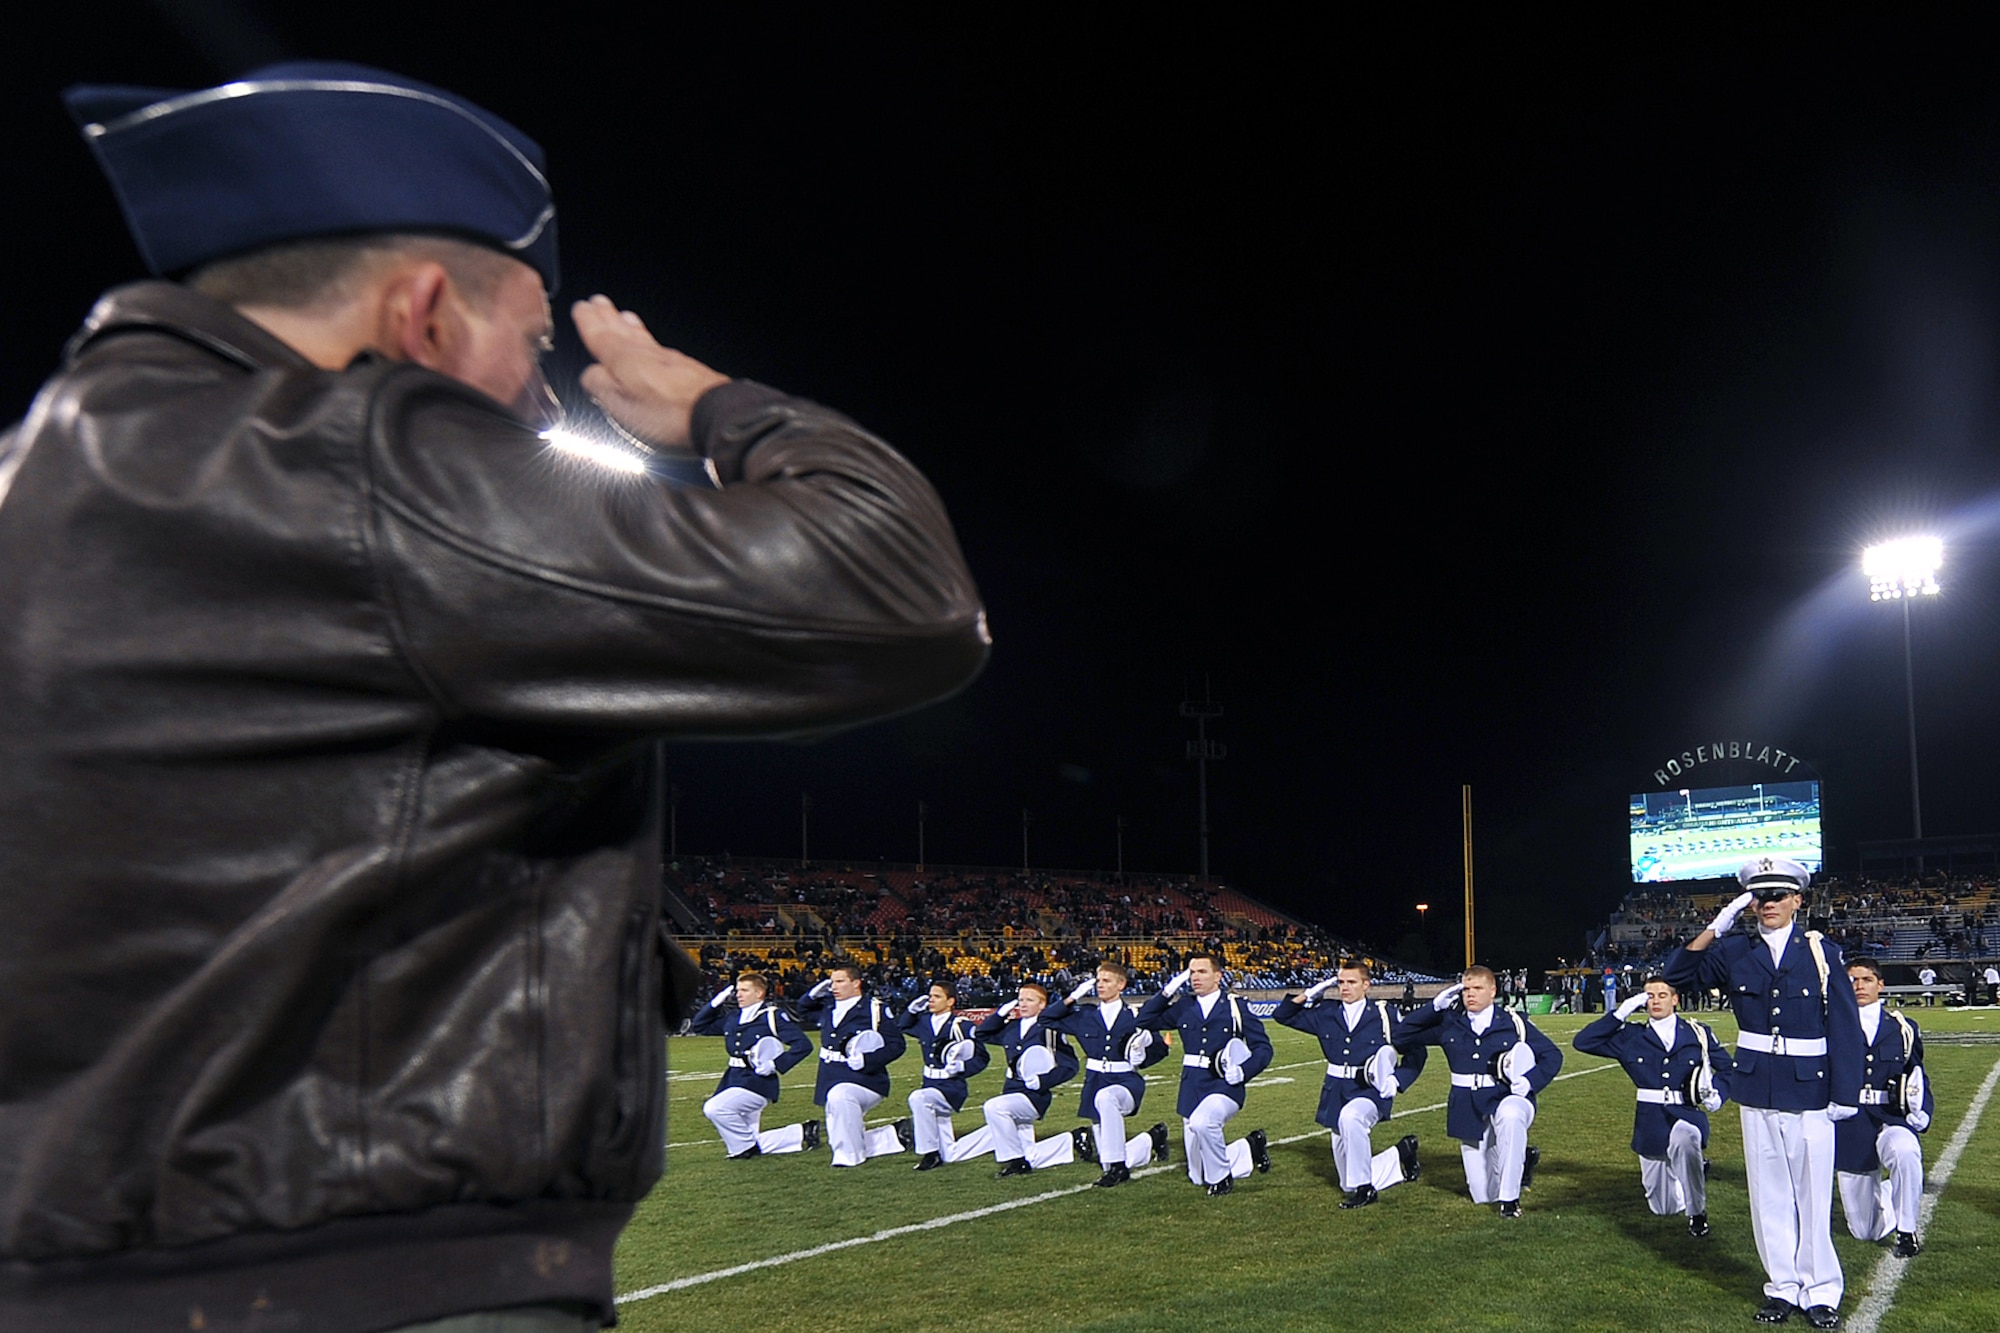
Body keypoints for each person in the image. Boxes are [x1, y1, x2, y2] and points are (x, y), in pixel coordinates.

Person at [0, 62, 986, 1333]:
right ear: (421, 314)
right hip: (379, 1275)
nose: (543, 389)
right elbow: (898, 591)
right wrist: (709, 408)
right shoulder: (363, 461)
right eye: (530, 339)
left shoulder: (31, 479)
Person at [1665, 857, 1864, 1331]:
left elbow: (1845, 1025)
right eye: (1760, 896)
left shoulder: (1821, 952)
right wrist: (1716, 926)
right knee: (1768, 1195)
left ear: (1798, 900)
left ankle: (1820, 1291)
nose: (1768, 903)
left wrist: (1846, 1091)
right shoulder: (1735, 950)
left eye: (1778, 895)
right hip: (1757, 1085)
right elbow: (1676, 976)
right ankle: (1782, 1286)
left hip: (1811, 1086)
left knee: (1813, 1194)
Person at [1573, 973, 1736, 1237]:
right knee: (1663, 1206)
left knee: (1686, 1139)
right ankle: (1693, 1170)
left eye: (1662, 995)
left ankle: (1697, 1213)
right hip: (1650, 1121)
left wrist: (1719, 1092)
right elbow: (1583, 1042)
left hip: (1686, 1113)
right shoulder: (1630, 1036)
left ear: (1675, 999)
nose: (1656, 1001)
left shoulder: (1698, 1033)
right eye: (1649, 996)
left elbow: (1729, 1069)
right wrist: (1619, 1013)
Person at [1400, 965, 1562, 1218]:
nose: (1470, 994)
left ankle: (1510, 1201)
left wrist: (1530, 1082)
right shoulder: (1449, 1023)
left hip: (1505, 1097)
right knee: (1482, 1195)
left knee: (1510, 1117)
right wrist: (1434, 1007)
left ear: (1492, 990)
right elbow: (1400, 1036)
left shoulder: (1513, 1022)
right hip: (1467, 1105)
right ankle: (1523, 1163)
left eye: (1477, 988)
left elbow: (1552, 1055)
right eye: (1466, 989)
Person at [1273, 961, 1424, 1207]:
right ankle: (1401, 1153)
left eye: (1351, 982)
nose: (1344, 987)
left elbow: (1417, 1051)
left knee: (1352, 1117)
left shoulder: (1384, 1015)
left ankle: (1366, 1191)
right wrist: (1310, 993)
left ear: (1366, 985)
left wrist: (1397, 1080)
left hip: (1370, 1090)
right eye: (1341, 982)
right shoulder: (1326, 1013)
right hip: (1336, 1091)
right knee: (1347, 1182)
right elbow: (1282, 1016)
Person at [1135, 953, 1274, 1196]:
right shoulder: (1184, 1006)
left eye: (1202, 972)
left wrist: (1244, 1072)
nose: (1195, 977)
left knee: (1203, 1123)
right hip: (1192, 1086)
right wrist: (1166, 992)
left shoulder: (1234, 1006)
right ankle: (1250, 1147)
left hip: (1224, 1085)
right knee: (1197, 1175)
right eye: (1191, 972)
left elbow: (1263, 1048)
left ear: (1218, 976)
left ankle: (1221, 1180)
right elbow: (1145, 1020)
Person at [1041, 961, 1173, 1187]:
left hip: (1126, 1082)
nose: (1100, 985)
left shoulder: (1135, 1015)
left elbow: (1159, 1048)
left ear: (1121, 984)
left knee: (1107, 1100)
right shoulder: (1084, 1015)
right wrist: (1072, 997)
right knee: (1108, 1157)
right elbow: (1045, 1019)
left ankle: (1119, 1169)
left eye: (1106, 981)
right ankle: (1151, 1139)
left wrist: (1143, 1058)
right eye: (1098, 980)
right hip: (1095, 1081)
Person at [1835, 958, 1932, 1258]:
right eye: (1852, 980)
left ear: (1880, 985)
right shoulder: (1830, 1026)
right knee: (1866, 1231)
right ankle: (1896, 1189)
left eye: (1866, 980)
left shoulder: (1902, 1028)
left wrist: (1922, 1111)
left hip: (1890, 1117)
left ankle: (1907, 1231)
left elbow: (1916, 1073)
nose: (1859, 986)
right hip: (1850, 1123)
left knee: (1906, 1150)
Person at [688, 971, 817, 1159]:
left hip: (758, 1081)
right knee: (752, 1137)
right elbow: (700, 1026)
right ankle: (803, 1132)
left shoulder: (771, 1016)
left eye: (744, 990)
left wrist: (775, 1064)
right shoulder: (733, 1017)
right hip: (732, 1078)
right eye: (737, 990)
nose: (738, 994)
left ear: (759, 993)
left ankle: (743, 1149)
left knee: (715, 1108)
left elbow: (803, 1045)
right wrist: (715, 1003)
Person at [970, 984, 1092, 1177]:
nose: (1023, 1004)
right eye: (1020, 1000)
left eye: (1030, 1000)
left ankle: (1015, 1163)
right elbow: (981, 1033)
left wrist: (1043, 1081)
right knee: (1030, 1154)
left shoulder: (1049, 1030)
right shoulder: (1011, 1027)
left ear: (1042, 1004)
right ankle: (1072, 1140)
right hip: (1010, 1091)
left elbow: (1070, 1067)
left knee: (993, 1107)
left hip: (1034, 1096)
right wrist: (1000, 1014)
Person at [797, 964, 913, 1168]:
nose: (834, 986)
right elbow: (802, 1010)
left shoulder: (874, 1009)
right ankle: (893, 1135)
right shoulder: (828, 1006)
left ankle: (850, 1158)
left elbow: (897, 1045)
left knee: (840, 1097)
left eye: (840, 981)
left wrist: (868, 1061)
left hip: (865, 1079)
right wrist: (811, 994)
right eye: (832, 982)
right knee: (839, 1137)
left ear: (856, 983)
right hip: (830, 1077)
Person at [898, 977, 991, 1171]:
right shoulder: (924, 1021)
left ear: (950, 1001)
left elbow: (982, 1057)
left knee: (918, 1098)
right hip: (929, 1083)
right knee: (950, 1153)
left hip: (951, 1087)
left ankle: (929, 1154)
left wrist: (962, 1068)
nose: (931, 1000)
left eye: (937, 996)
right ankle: (997, 1133)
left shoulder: (961, 1025)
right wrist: (911, 1010)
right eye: (930, 996)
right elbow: (903, 1026)